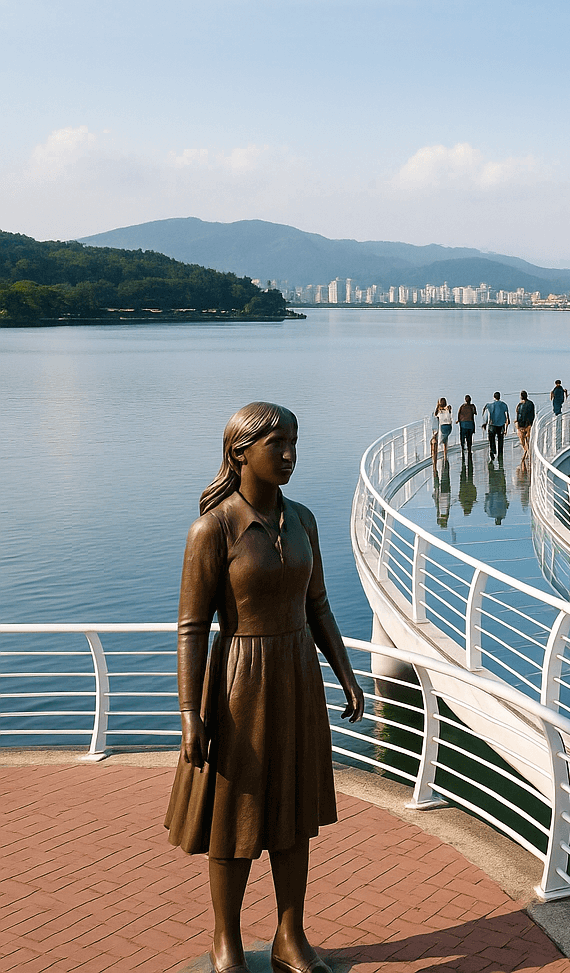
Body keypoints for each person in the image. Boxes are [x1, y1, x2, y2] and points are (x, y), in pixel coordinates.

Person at [166, 402, 365, 973]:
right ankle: (226, 940)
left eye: (294, 443)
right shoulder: (214, 528)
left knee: (293, 809)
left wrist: (346, 674)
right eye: (275, 444)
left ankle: (289, 935)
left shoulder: (303, 521)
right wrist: (189, 711)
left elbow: (319, 604)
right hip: (237, 686)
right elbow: (191, 626)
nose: (288, 456)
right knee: (234, 812)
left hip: (298, 677)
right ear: (239, 452)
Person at [483, 392, 509, 462]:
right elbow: (507, 418)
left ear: (494, 397)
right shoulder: (504, 405)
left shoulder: (489, 405)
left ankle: (492, 450)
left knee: (491, 439)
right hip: (501, 425)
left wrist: (485, 423)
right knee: (500, 441)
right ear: (499, 397)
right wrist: (506, 428)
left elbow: (485, 414)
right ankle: (500, 455)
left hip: (492, 425)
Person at [433, 397, 453, 464]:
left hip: (443, 426)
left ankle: (442, 454)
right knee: (445, 441)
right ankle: (445, 455)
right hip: (449, 426)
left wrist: (437, 406)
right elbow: (450, 416)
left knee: (442, 441)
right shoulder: (448, 409)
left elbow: (435, 416)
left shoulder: (438, 411)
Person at [515, 390, 535, 455]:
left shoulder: (519, 405)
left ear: (521, 397)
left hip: (521, 425)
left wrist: (517, 423)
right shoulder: (531, 403)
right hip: (528, 424)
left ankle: (525, 450)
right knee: (528, 439)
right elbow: (532, 414)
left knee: (522, 440)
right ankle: (528, 450)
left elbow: (518, 415)